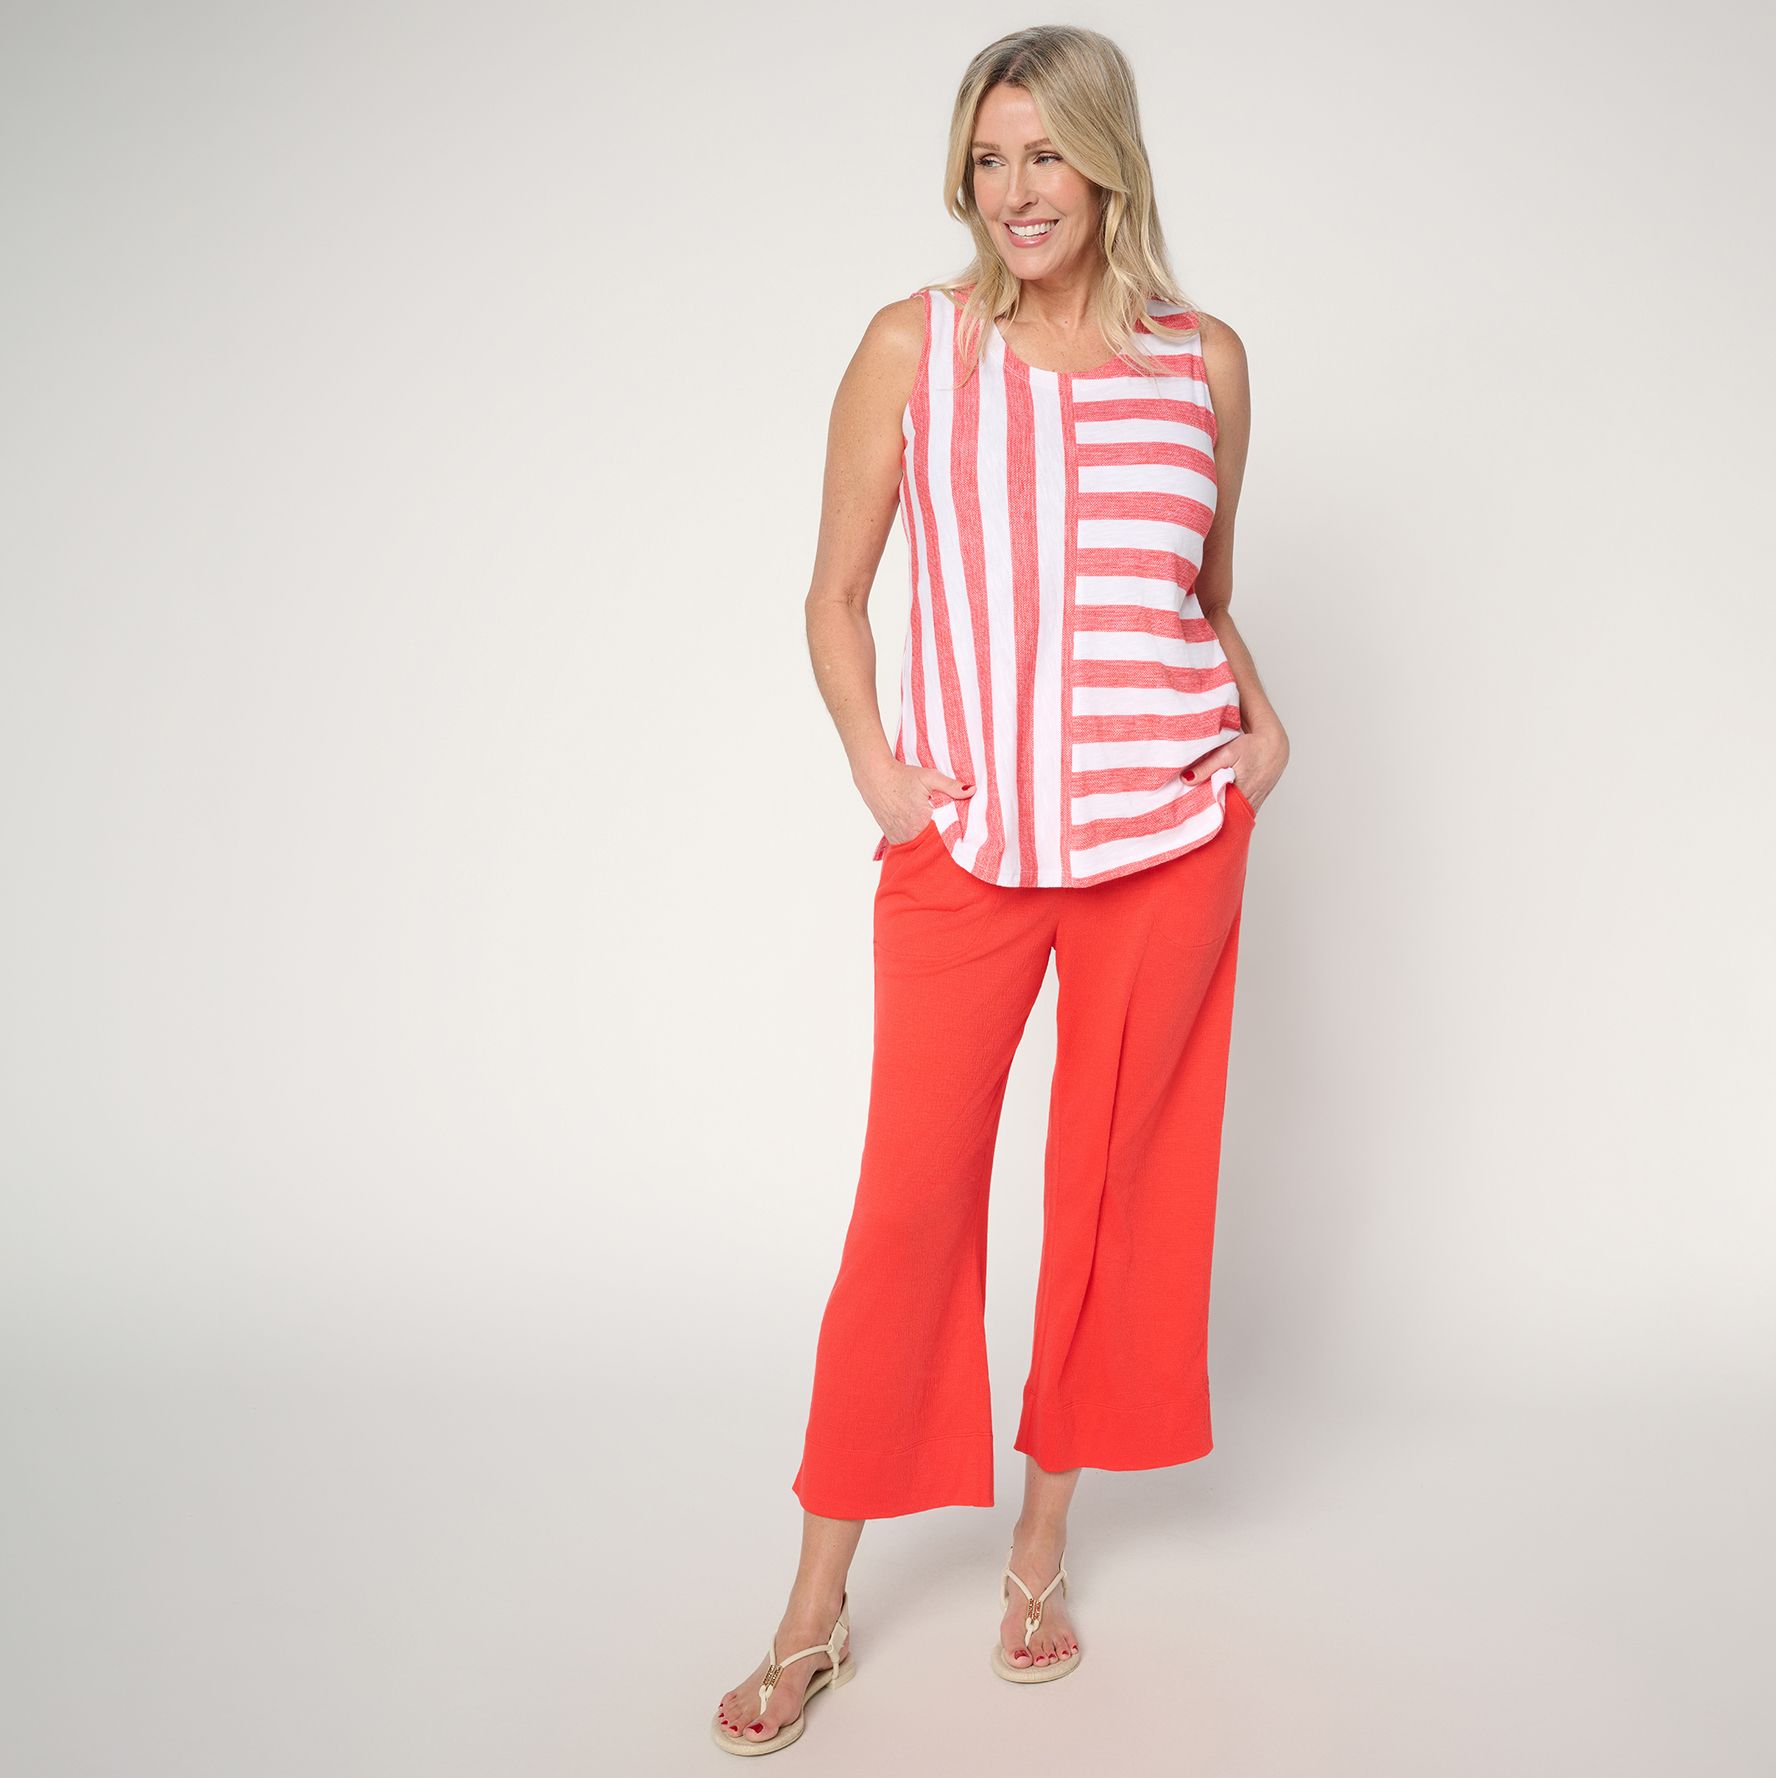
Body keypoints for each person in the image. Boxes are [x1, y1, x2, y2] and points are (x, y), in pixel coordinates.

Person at [713, 23, 1289, 1755]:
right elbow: (834, 596)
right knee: (909, 1206)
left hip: (1162, 847)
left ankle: (1039, 1551)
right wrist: (881, 775)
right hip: (969, 852)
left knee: (1115, 1202)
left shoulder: (1206, 361)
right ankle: (814, 1607)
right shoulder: (915, 346)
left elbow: (1196, 593)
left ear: (1107, 162)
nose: (1015, 191)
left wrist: (1260, 725)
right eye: (987, 158)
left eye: (1044, 154)